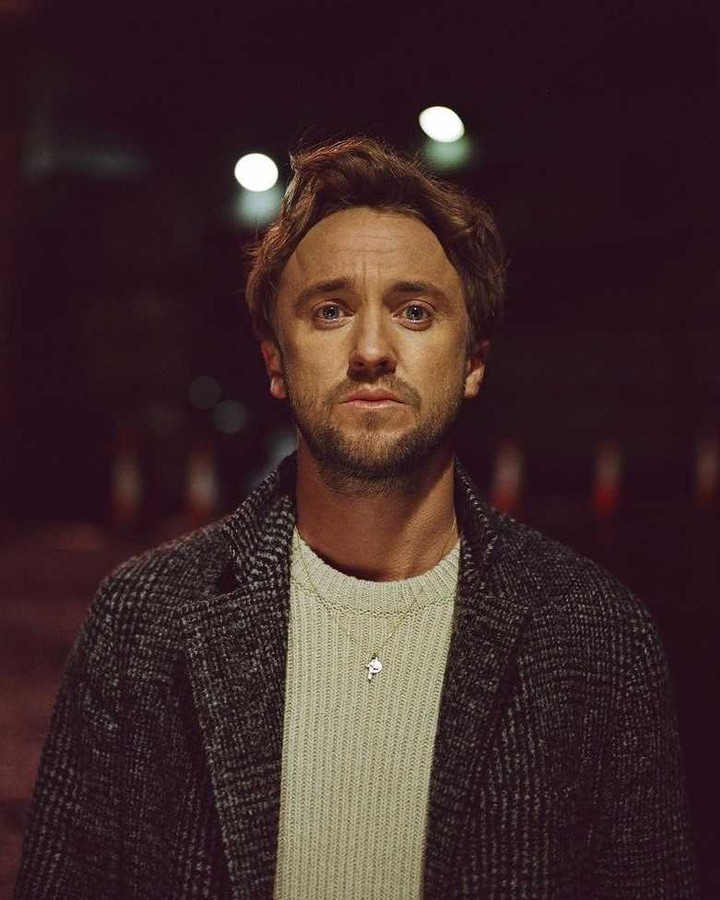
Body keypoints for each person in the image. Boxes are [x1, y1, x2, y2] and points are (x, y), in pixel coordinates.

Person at [15, 137, 697, 900]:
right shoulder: (142, 622)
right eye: (331, 310)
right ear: (276, 361)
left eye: (415, 311)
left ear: (472, 361)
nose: (372, 349)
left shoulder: (595, 636)